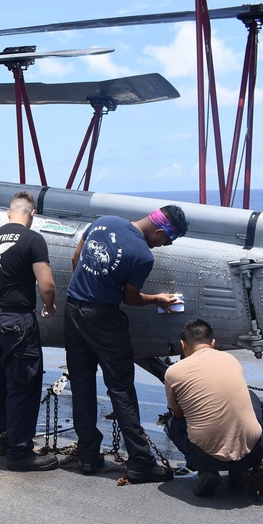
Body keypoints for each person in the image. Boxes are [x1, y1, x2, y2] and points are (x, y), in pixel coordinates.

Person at [64, 204, 188, 483]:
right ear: (159, 232)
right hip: (105, 319)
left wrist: (88, 287)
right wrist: (157, 299)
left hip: (73, 311)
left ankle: (87, 455)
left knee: (82, 385)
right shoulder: (142, 255)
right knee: (121, 389)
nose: (163, 246)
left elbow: (76, 258)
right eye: (167, 241)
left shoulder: (104, 222)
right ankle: (141, 462)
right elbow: (130, 298)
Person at [0, 191, 58, 471]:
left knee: (0, 382)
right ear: (32, 214)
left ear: (9, 213)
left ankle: (4, 441)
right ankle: (20, 452)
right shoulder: (33, 239)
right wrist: (50, 306)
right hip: (16, 320)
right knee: (23, 385)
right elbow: (47, 285)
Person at [164, 318, 263, 498]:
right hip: (253, 452)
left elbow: (178, 413)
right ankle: (241, 471)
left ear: (183, 345)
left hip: (206, 457)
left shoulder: (174, 372)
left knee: (172, 423)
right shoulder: (231, 360)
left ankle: (206, 472)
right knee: (250, 396)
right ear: (213, 343)